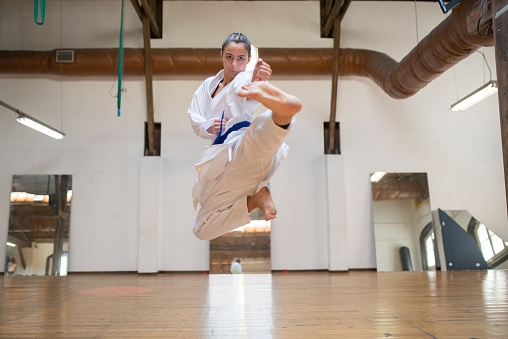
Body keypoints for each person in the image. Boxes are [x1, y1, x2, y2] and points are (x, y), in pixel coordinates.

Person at [188, 33, 302, 240]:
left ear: (248, 60)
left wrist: (256, 80)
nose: (234, 64)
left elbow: (244, 88)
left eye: (241, 58)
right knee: (200, 229)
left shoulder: (243, 78)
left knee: (257, 142)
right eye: (229, 57)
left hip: (241, 141)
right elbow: (194, 117)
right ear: (221, 55)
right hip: (222, 162)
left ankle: (282, 114)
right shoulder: (207, 85)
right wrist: (208, 126)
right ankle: (255, 198)